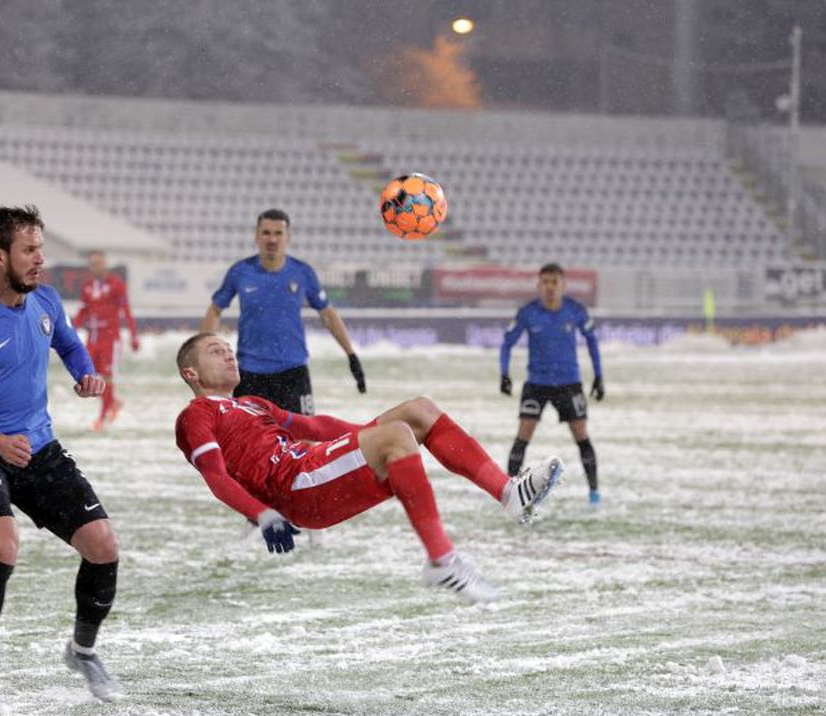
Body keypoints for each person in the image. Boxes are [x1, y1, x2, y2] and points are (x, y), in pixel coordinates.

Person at [174, 332, 563, 604]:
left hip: (310, 467)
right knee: (397, 434)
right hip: (295, 487)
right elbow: (215, 475)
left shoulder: (253, 403)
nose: (229, 354)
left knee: (418, 411)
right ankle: (442, 561)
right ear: (191, 373)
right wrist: (262, 515)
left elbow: (315, 427)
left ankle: (508, 492)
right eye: (215, 351)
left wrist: (371, 436)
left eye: (229, 348)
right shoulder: (196, 415)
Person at [0, 205, 120, 712]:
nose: (41, 259)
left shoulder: (45, 301)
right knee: (1, 544)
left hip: (38, 447)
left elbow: (69, 344)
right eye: (30, 250)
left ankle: (82, 651)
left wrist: (86, 374)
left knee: (103, 546)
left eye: (41, 248)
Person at [201, 208, 365, 415]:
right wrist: (204, 356)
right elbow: (215, 309)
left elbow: (327, 314)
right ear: (256, 236)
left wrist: (351, 355)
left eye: (278, 233)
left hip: (293, 373)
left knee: (305, 440)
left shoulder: (303, 272)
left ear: (288, 238)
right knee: (247, 443)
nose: (272, 239)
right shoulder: (240, 271)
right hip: (250, 374)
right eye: (266, 232)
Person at [500, 263, 604, 507]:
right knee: (523, 434)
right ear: (538, 285)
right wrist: (504, 374)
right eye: (545, 282)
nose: (549, 287)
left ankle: (594, 494)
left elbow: (592, 341)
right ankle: (507, 491)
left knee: (581, 434)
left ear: (563, 285)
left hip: (569, 383)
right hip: (537, 383)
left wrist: (599, 376)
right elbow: (507, 343)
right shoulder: (527, 312)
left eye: (554, 282)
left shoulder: (575, 310)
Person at [71, 249, 139, 431]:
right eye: (92, 264)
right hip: (92, 338)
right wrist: (70, 331)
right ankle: (113, 403)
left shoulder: (116, 285)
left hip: (110, 339)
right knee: (89, 376)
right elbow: (82, 311)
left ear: (105, 265)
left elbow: (127, 312)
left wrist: (133, 336)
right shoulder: (87, 286)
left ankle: (103, 417)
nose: (96, 267)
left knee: (107, 377)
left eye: (99, 263)